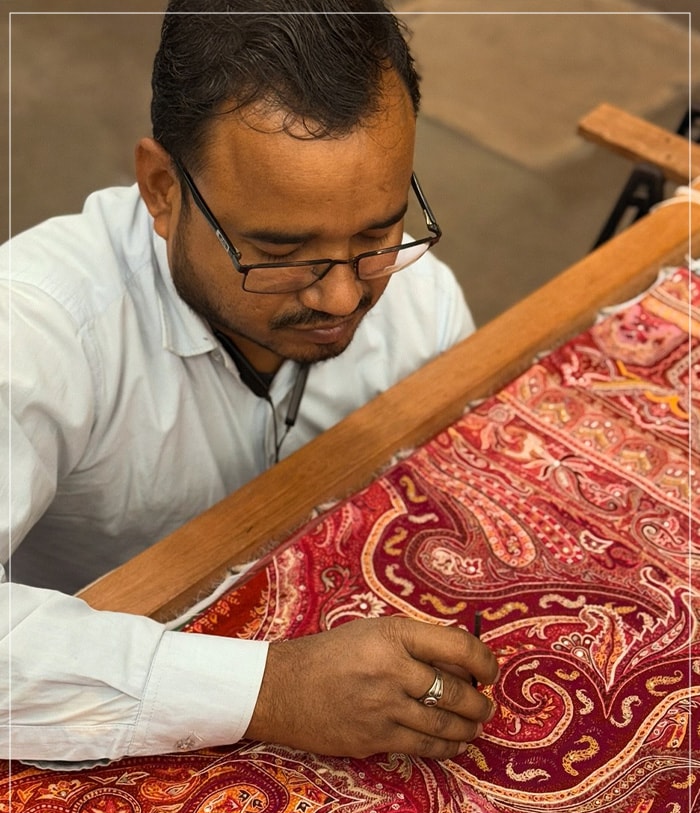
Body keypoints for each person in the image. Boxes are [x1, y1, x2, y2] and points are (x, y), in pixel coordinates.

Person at [0, 0, 498, 769]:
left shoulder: (421, 303)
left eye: (377, 233)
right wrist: (272, 691)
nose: (340, 299)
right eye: (280, 250)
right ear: (163, 191)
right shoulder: (38, 325)